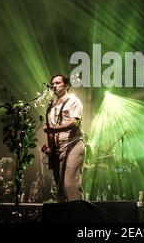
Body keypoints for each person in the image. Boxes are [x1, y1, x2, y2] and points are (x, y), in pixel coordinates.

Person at [42, 74, 85, 203]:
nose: (54, 85)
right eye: (52, 83)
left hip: (74, 144)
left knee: (70, 184)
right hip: (58, 149)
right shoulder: (51, 107)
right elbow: (51, 131)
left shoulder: (74, 101)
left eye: (57, 83)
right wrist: (50, 146)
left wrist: (52, 130)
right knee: (59, 188)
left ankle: (79, 216)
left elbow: (73, 123)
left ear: (66, 85)